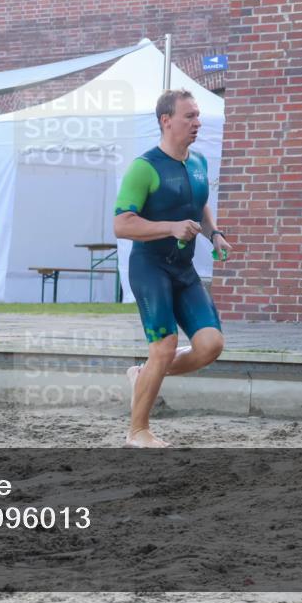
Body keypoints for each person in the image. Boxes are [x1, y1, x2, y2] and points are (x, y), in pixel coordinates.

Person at [113, 89, 233, 448]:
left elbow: (198, 206)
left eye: (197, 116)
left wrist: (215, 235)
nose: (197, 123)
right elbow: (122, 225)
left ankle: (143, 374)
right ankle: (138, 431)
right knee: (165, 346)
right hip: (150, 269)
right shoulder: (144, 167)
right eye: (189, 117)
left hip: (184, 271)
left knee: (211, 345)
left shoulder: (198, 163)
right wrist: (169, 227)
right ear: (166, 121)